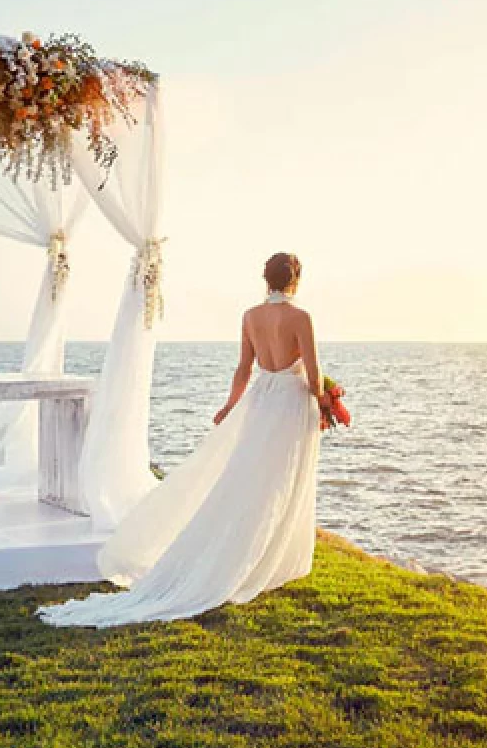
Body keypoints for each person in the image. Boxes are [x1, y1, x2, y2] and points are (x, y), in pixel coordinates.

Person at [39, 252, 321, 627]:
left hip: (260, 400)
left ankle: (253, 552)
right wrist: (326, 402)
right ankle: (267, 558)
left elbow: (243, 368)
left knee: (250, 479)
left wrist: (229, 407)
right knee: (279, 480)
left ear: (265, 279)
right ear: (295, 280)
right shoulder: (301, 318)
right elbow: (315, 377)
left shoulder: (251, 316)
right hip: (289, 403)